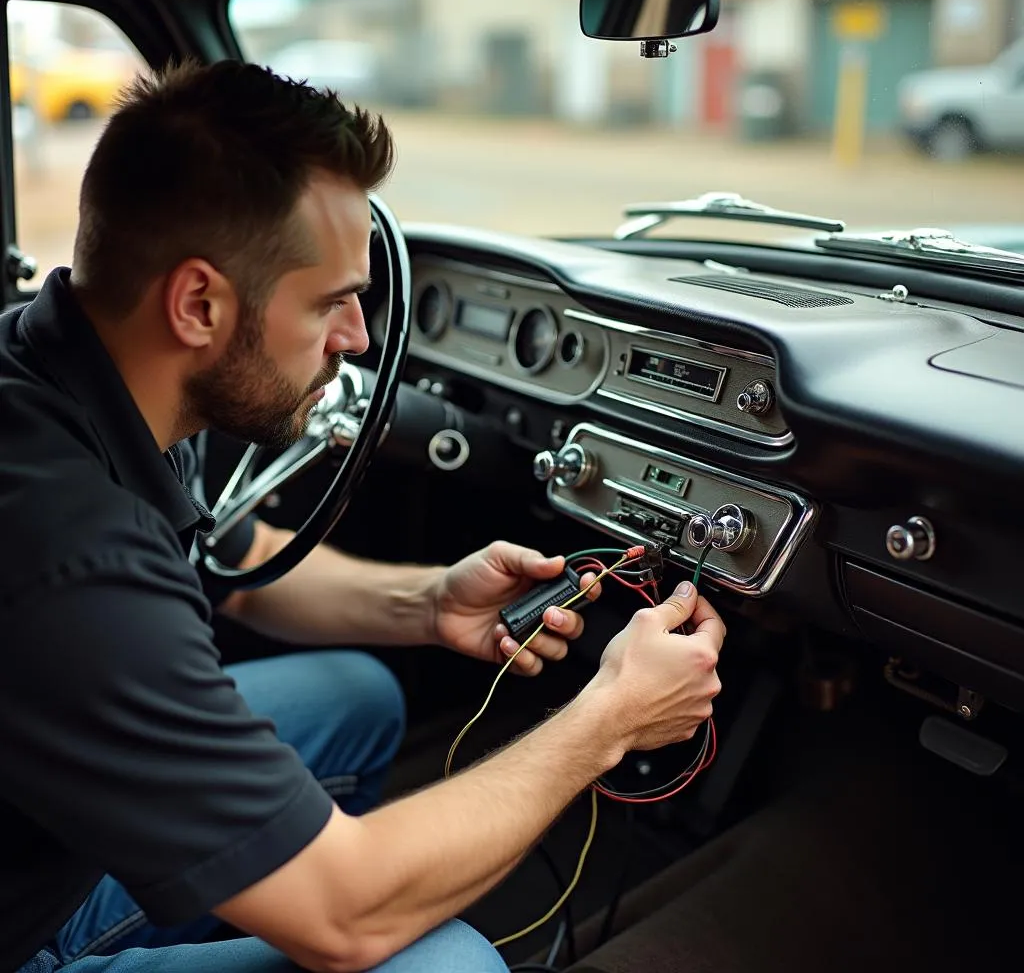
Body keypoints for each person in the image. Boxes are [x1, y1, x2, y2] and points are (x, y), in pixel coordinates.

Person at [0, 59, 725, 973]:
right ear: (198, 304)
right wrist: (613, 716)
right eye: (330, 300)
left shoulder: (76, 375)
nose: (359, 337)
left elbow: (237, 562)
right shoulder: (70, 555)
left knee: (357, 698)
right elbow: (346, 916)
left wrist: (428, 605)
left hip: (43, 834)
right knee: (448, 965)